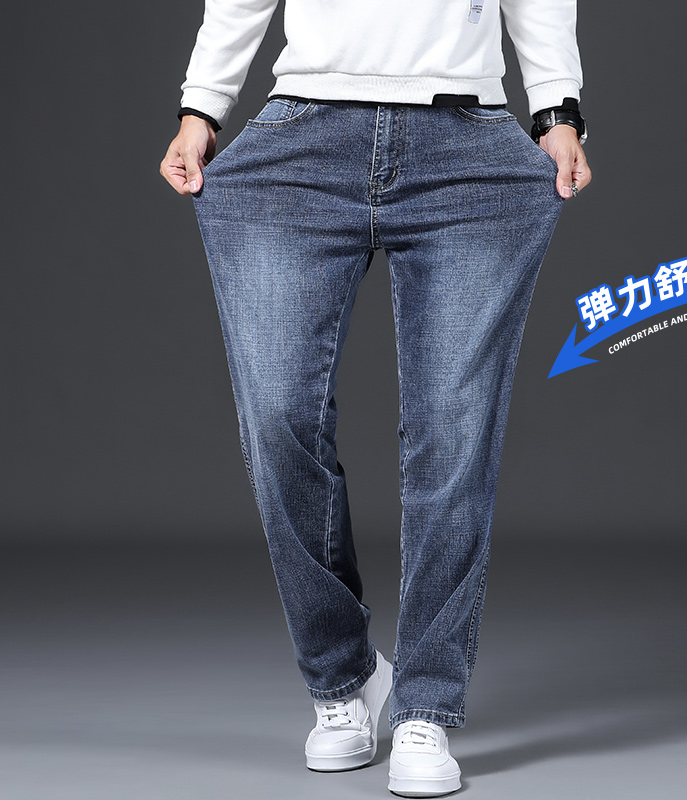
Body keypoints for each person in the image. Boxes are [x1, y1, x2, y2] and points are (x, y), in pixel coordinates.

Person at [160, 0, 591, 795]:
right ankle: (345, 675)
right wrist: (202, 105)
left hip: (465, 135)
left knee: (453, 429)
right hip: (305, 129)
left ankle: (427, 705)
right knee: (277, 416)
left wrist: (557, 109)